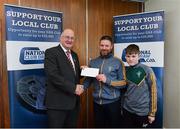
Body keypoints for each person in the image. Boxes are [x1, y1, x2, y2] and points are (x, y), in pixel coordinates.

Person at [82, 35, 126, 127]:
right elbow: (89, 79)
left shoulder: (118, 62)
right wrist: (82, 87)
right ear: (99, 46)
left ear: (111, 46)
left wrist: (107, 80)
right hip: (97, 103)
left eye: (107, 46)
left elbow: (123, 83)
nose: (104, 48)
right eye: (102, 45)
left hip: (113, 103)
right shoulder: (93, 62)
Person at [44, 28, 84, 128]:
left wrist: (84, 71)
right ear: (60, 38)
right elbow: (53, 75)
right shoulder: (51, 52)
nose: (69, 40)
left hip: (73, 103)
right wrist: (74, 88)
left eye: (72, 38)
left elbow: (74, 75)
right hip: (57, 104)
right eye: (67, 37)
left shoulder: (74, 55)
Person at [122, 44, 157, 128]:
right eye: (128, 56)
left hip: (142, 112)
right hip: (127, 110)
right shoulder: (125, 71)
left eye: (133, 56)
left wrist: (152, 113)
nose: (130, 59)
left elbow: (153, 91)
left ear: (139, 56)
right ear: (125, 57)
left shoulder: (147, 70)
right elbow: (124, 90)